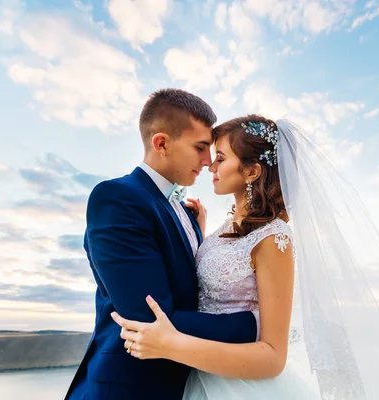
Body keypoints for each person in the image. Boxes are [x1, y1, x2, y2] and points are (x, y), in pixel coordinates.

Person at [112, 115, 379, 399]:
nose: (210, 166)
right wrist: (201, 234)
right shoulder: (222, 229)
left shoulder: (275, 238)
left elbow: (273, 356)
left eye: (220, 158)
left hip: (237, 386)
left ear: (251, 171)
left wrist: (174, 344)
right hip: (195, 379)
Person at [64, 89, 258, 400]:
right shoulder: (116, 198)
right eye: (200, 147)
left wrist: (199, 237)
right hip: (128, 389)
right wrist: (253, 324)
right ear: (162, 143)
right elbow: (149, 319)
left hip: (187, 383)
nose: (208, 162)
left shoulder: (186, 211)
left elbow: (190, 285)